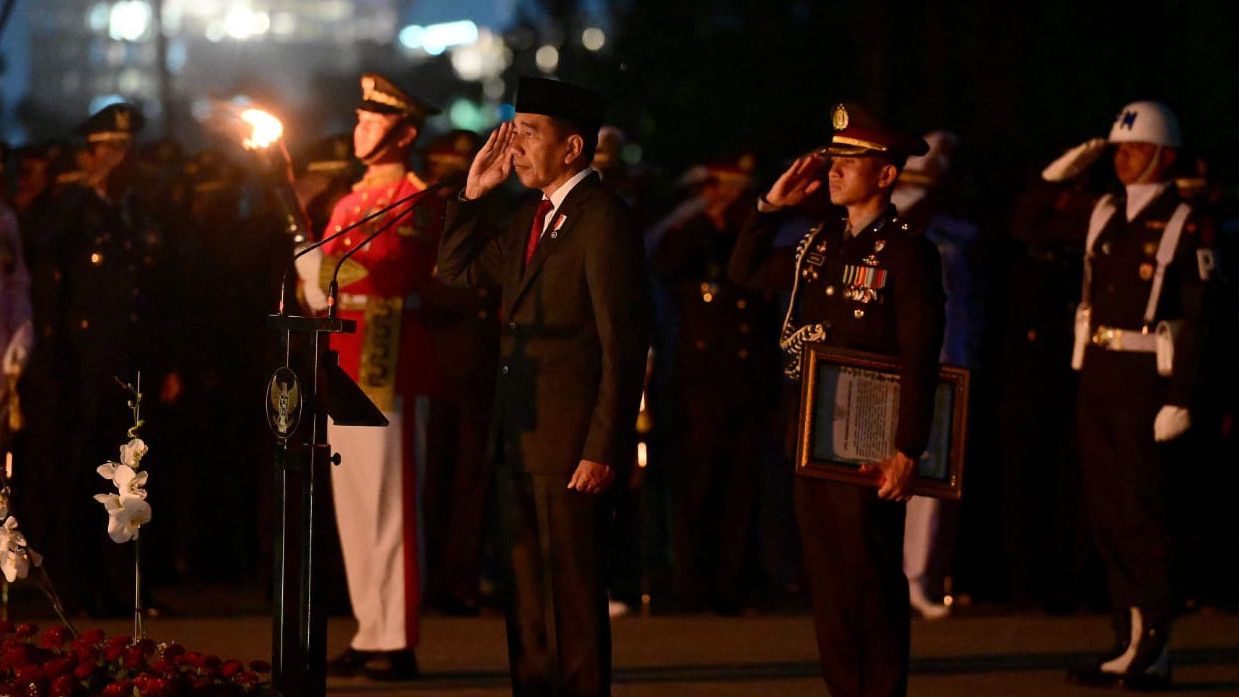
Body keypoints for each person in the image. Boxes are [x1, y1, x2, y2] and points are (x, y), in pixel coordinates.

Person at [434, 76, 651, 697]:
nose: (515, 145)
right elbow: (457, 271)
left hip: (571, 443)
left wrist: (603, 446)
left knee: (575, 601)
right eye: (514, 129)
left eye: (530, 133)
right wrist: (473, 195)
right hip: (522, 438)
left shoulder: (602, 219)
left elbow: (623, 343)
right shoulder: (534, 216)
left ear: (574, 146)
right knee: (526, 599)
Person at [728, 103, 944, 697]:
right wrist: (770, 208)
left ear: (886, 175)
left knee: (869, 582)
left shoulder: (907, 251)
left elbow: (921, 354)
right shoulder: (818, 241)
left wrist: (909, 449)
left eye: (852, 159)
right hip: (811, 437)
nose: (835, 168)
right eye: (834, 157)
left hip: (869, 440)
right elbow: (744, 270)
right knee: (827, 584)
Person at [1037, 101, 1215, 690]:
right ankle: (1127, 637)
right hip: (1100, 376)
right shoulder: (1108, 212)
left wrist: (1180, 396)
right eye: (1116, 148)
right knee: (1108, 515)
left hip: (1146, 382)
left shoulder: (1185, 219)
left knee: (1142, 515)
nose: (1122, 158)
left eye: (1135, 149)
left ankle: (1155, 644)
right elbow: (1030, 222)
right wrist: (1065, 170)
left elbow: (1201, 316)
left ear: (1165, 156)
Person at [305, 73, 442, 681]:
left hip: (389, 357)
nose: (360, 127)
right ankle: (368, 627)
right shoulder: (347, 201)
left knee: (391, 503)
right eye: (358, 117)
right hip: (347, 359)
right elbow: (325, 287)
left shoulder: (418, 196)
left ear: (405, 132)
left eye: (375, 119)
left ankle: (396, 635)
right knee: (355, 503)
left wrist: (328, 267)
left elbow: (386, 272)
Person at [650, 156, 779, 614]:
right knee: (696, 485)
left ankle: (731, 583)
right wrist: (704, 217)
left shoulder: (752, 231)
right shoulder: (688, 231)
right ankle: (690, 582)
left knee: (740, 486)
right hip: (698, 377)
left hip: (744, 376)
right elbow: (664, 263)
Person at [891, 131, 980, 620]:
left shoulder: (950, 229)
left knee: (931, 479)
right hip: (898, 363)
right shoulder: (898, 218)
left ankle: (917, 577)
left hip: (947, 361)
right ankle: (894, 575)